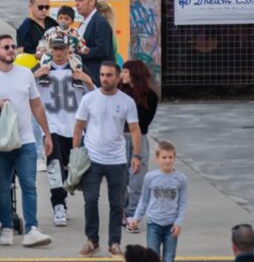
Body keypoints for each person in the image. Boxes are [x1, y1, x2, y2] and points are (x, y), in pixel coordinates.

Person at [0, 34, 53, 247]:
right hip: (1, 141)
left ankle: (32, 228)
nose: (11, 50)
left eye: (12, 47)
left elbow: (36, 104)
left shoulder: (26, 74)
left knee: (29, 184)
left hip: (25, 140)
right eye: (6, 47)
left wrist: (46, 133)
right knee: (2, 187)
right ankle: (6, 227)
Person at [74, 61, 143, 257]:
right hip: (92, 159)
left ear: (118, 76)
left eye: (109, 75)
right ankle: (92, 240)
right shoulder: (89, 99)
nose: (105, 78)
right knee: (90, 200)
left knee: (116, 204)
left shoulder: (127, 101)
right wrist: (75, 153)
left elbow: (135, 130)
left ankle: (114, 243)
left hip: (117, 160)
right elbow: (78, 126)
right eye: (102, 75)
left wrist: (136, 155)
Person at [34, 36, 93, 228]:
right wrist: (35, 75)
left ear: (69, 49)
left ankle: (81, 203)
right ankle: (58, 205)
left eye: (62, 48)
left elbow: (95, 98)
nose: (58, 53)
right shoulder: (41, 72)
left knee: (76, 170)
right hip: (51, 128)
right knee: (54, 167)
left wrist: (88, 81)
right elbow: (24, 91)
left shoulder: (78, 71)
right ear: (50, 49)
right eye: (55, 48)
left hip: (74, 128)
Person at [129, 141, 187, 262]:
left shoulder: (181, 178)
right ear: (157, 159)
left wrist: (179, 223)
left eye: (171, 157)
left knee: (169, 257)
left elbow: (182, 203)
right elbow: (144, 200)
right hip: (153, 224)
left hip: (171, 225)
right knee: (152, 257)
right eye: (164, 157)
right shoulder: (150, 177)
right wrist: (136, 218)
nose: (167, 161)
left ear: (175, 158)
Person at [120, 60, 160, 225]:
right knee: (120, 178)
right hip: (119, 138)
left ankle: (132, 214)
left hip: (138, 138)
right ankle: (121, 211)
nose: (121, 75)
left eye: (125, 72)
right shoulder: (119, 93)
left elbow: (143, 124)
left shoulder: (150, 96)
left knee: (137, 178)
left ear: (134, 74)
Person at [75, 0, 115, 83]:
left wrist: (77, 53)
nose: (76, 3)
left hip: (96, 78)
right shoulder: (85, 22)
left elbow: (101, 50)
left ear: (92, 2)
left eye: (80, 0)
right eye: (76, 0)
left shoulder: (100, 22)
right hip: (85, 78)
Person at [38, 5, 85, 70]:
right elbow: (43, 42)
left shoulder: (74, 33)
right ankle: (44, 75)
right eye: (61, 18)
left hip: (69, 57)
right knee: (45, 58)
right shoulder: (51, 31)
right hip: (52, 57)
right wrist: (39, 51)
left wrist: (84, 49)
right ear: (57, 19)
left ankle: (77, 76)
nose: (63, 21)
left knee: (76, 60)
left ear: (72, 21)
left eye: (66, 19)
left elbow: (81, 45)